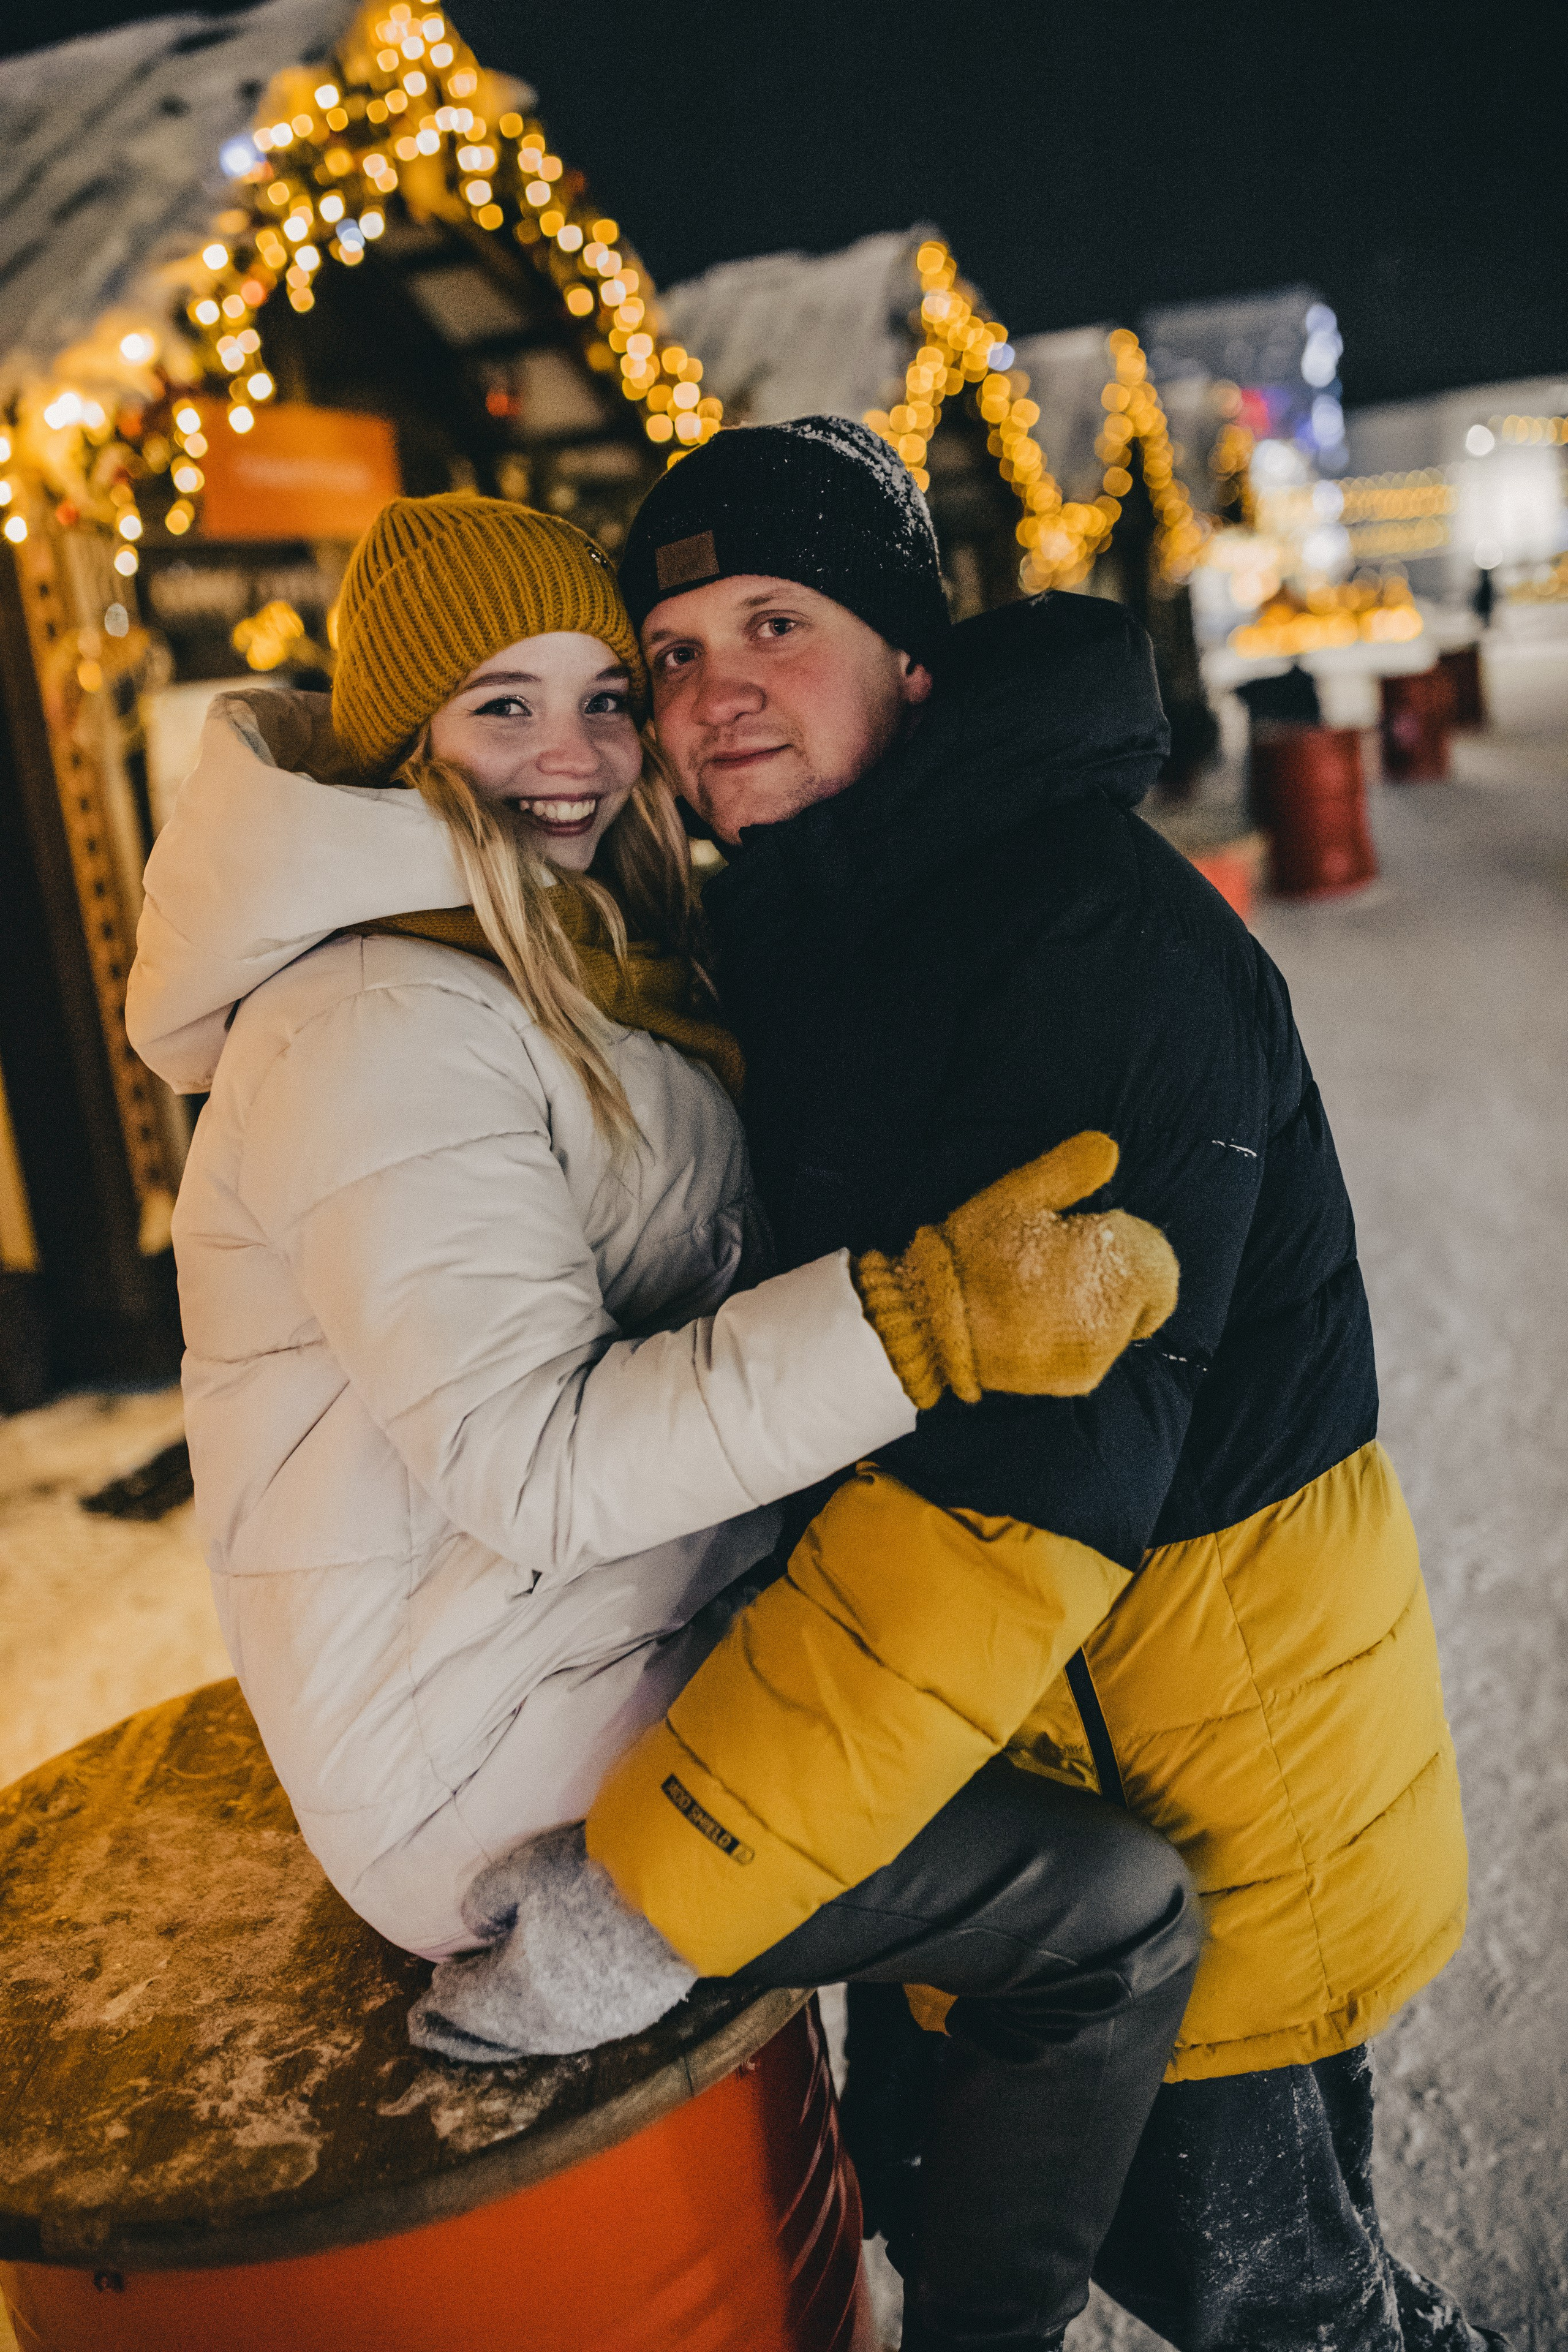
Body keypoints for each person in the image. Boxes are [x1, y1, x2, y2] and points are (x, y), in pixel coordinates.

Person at [419, 424, 1501, 2352]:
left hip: (1197, 1769)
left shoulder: (1085, 945)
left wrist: (650, 1898)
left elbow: (1006, 1505)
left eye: (774, 621)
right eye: (667, 651)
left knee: (1272, 2302)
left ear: (913, 664)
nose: (708, 689)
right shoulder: (835, 926)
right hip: (1007, 1758)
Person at [124, 492, 1178, 2000]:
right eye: (505, 706)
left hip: (584, 1648)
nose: (578, 757)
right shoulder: (378, 1022)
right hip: (487, 1771)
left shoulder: (553, 948)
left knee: (1020, 1704)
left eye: (607, 698)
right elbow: (536, 1465)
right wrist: (915, 1324)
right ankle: (1031, 2251)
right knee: (1111, 1905)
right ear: (403, 740)